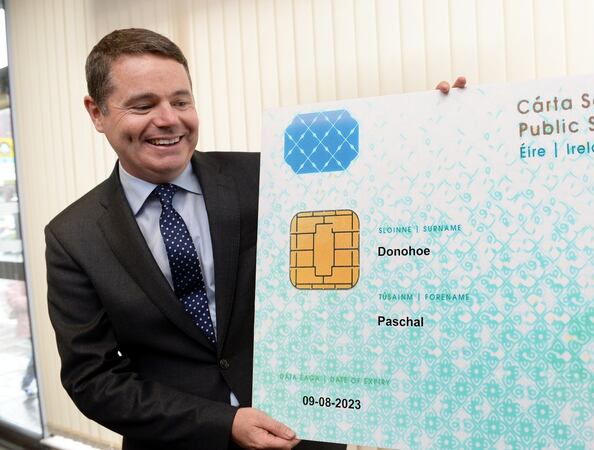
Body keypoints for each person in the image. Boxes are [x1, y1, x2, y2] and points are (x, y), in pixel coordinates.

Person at [45, 28, 465, 450]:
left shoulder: (271, 178)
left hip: (304, 434)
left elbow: (384, 220)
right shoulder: (73, 237)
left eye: (180, 101)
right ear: (96, 113)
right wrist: (222, 422)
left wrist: (434, 125)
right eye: (143, 105)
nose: (169, 119)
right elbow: (93, 380)